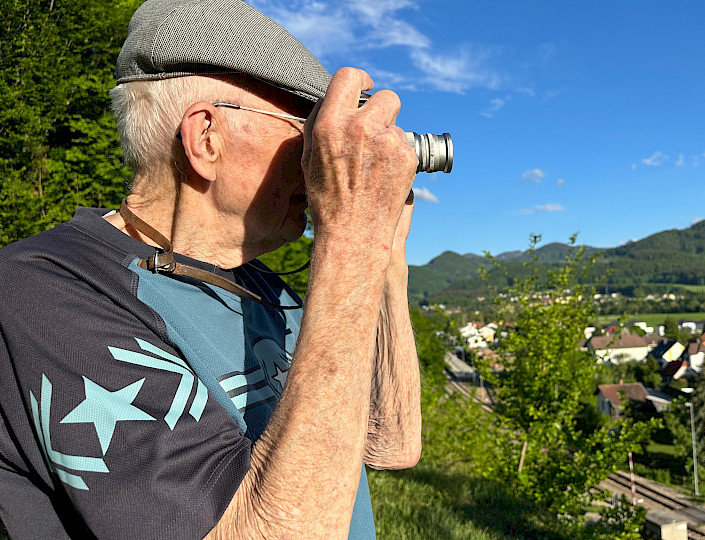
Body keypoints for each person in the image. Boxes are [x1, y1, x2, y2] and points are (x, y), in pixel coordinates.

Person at [0, 0, 422, 538]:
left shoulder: (264, 288)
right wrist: (351, 233)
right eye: (306, 128)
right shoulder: (48, 292)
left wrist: (380, 250)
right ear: (206, 138)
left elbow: (390, 441)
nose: (323, 153)